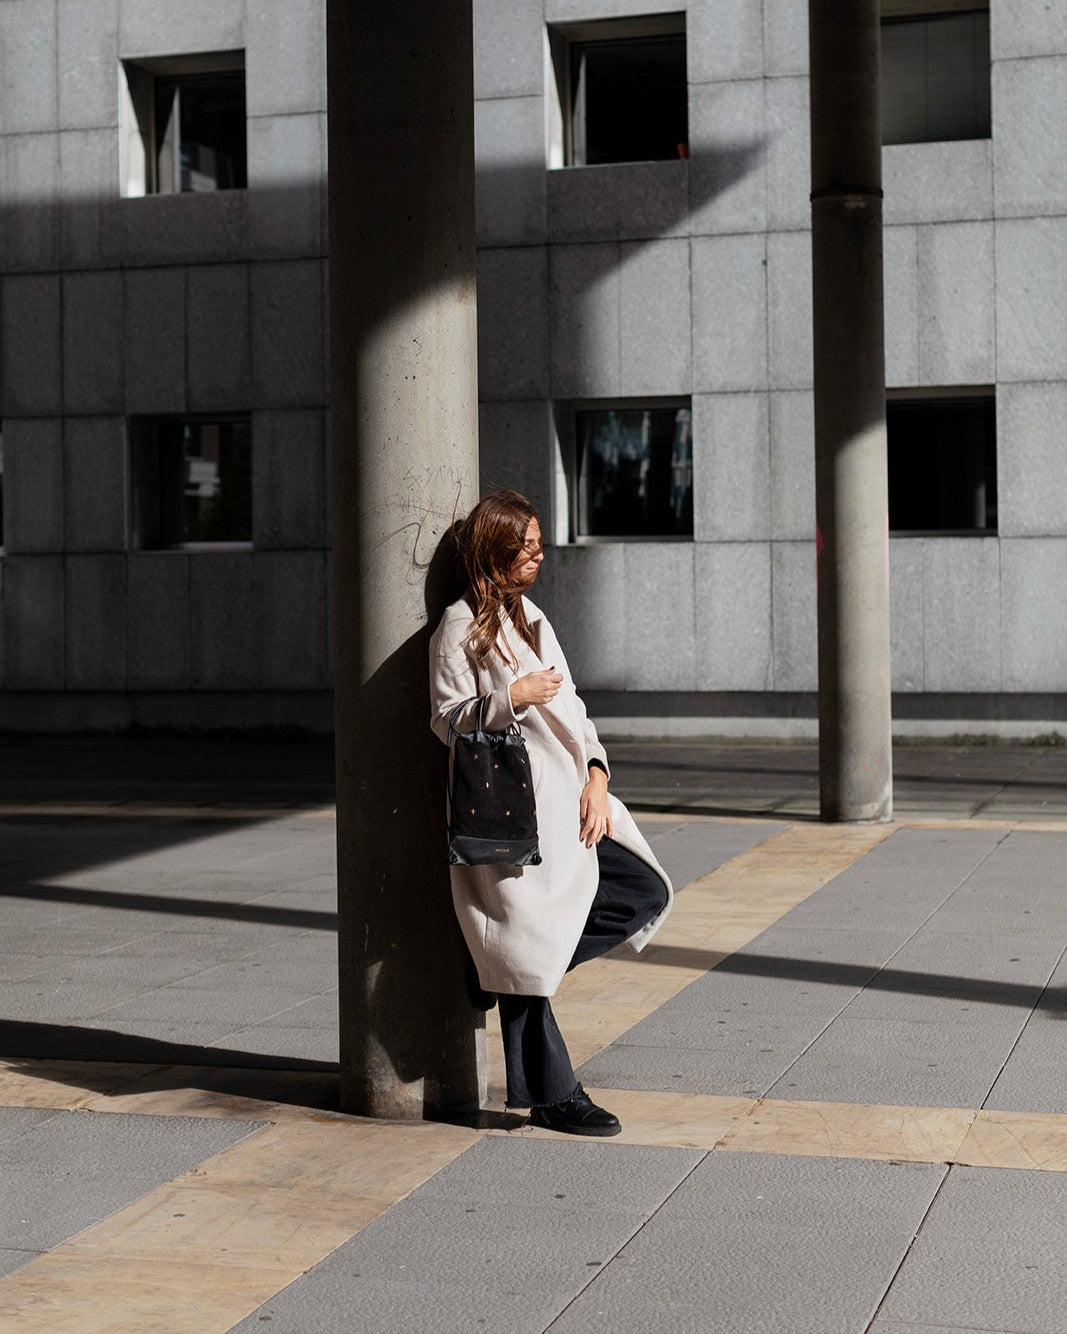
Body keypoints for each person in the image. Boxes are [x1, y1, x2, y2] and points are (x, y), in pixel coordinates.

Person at [429, 489, 673, 1136]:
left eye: (539, 545)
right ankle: (553, 1094)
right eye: (523, 547)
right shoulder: (460, 624)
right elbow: (446, 720)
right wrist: (512, 695)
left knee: (640, 891)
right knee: (527, 945)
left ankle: (492, 969)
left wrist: (597, 774)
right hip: (511, 811)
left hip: (571, 802)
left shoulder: (532, 616)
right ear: (491, 551)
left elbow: (574, 710)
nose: (536, 557)